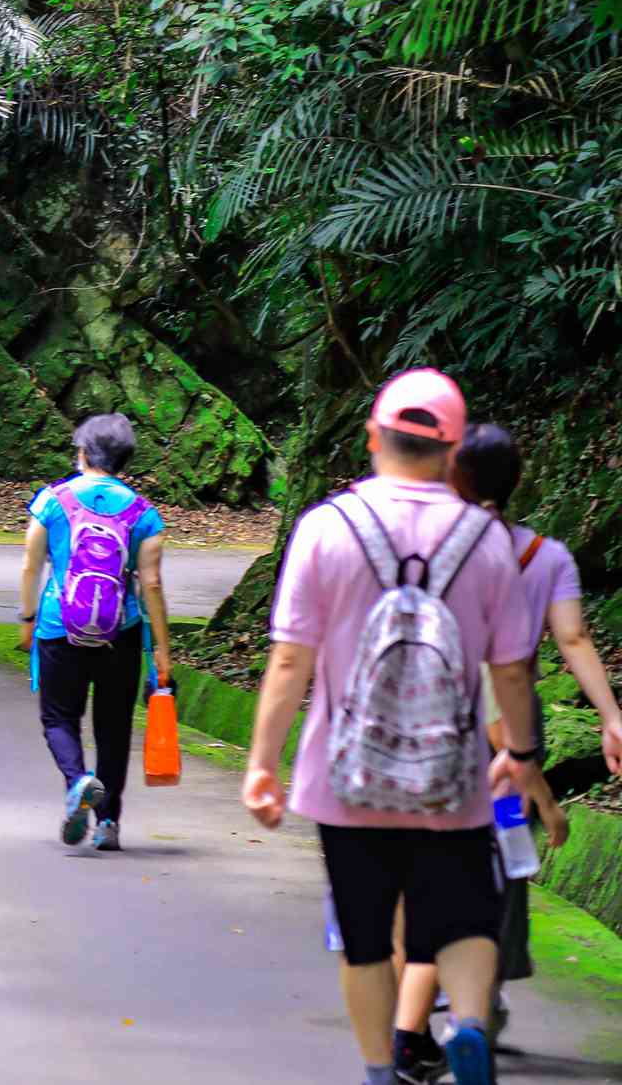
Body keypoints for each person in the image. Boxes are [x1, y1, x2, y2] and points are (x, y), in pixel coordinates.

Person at [243, 369, 541, 1085]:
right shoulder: (488, 538)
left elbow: (289, 660)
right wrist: (523, 754)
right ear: (453, 450)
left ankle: (382, 1069)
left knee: (367, 936)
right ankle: (468, 1022)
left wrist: (263, 762)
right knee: (467, 916)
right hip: (454, 777)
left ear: (373, 436)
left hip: (346, 777)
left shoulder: (326, 526)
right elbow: (510, 670)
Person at [388, 422, 622, 1078]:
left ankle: (424, 993)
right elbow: (573, 639)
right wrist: (611, 717)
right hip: (512, 726)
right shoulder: (546, 555)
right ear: (520, 481)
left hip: (428, 720)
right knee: (500, 861)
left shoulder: (427, 544)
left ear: (453, 477)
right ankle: (479, 999)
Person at [16, 414, 170, 853]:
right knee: (113, 727)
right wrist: (162, 651)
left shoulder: (53, 501)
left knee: (59, 717)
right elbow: (152, 585)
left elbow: (31, 564)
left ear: (82, 452)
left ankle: (77, 779)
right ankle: (108, 825)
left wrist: (27, 617)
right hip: (119, 634)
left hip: (58, 627)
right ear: (124, 459)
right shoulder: (145, 515)